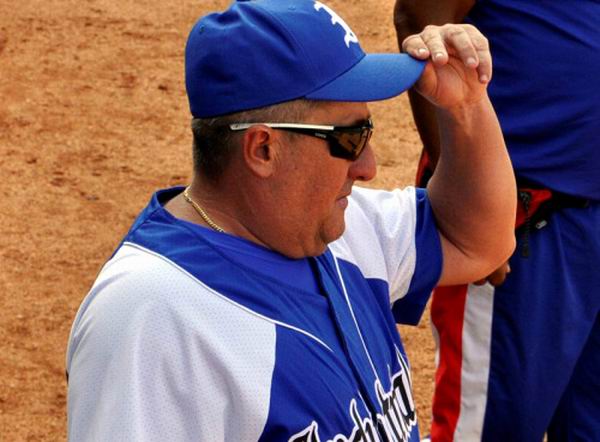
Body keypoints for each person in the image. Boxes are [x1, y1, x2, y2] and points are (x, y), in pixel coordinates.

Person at [66, 0, 516, 440]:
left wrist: (465, 106)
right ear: (263, 149)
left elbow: (477, 241)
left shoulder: (336, 225)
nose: (368, 167)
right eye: (351, 138)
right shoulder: (151, 317)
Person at [395, 1, 600, 441]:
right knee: (495, 427)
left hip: (588, 215)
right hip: (524, 220)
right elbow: (419, 17)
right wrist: (467, 203)